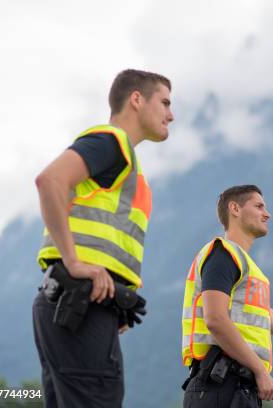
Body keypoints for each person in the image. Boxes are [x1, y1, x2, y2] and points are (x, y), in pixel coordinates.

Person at [32, 69, 174, 407]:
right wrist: (75, 263)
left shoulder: (126, 165)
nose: (171, 114)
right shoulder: (113, 142)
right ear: (136, 99)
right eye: (165, 102)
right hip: (79, 306)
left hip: (81, 307)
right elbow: (50, 180)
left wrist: (114, 296)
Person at [182, 185, 273, 407]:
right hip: (220, 384)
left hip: (237, 387)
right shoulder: (223, 254)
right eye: (259, 206)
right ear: (235, 209)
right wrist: (259, 370)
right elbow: (215, 319)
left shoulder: (245, 265)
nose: (267, 214)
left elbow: (263, 314)